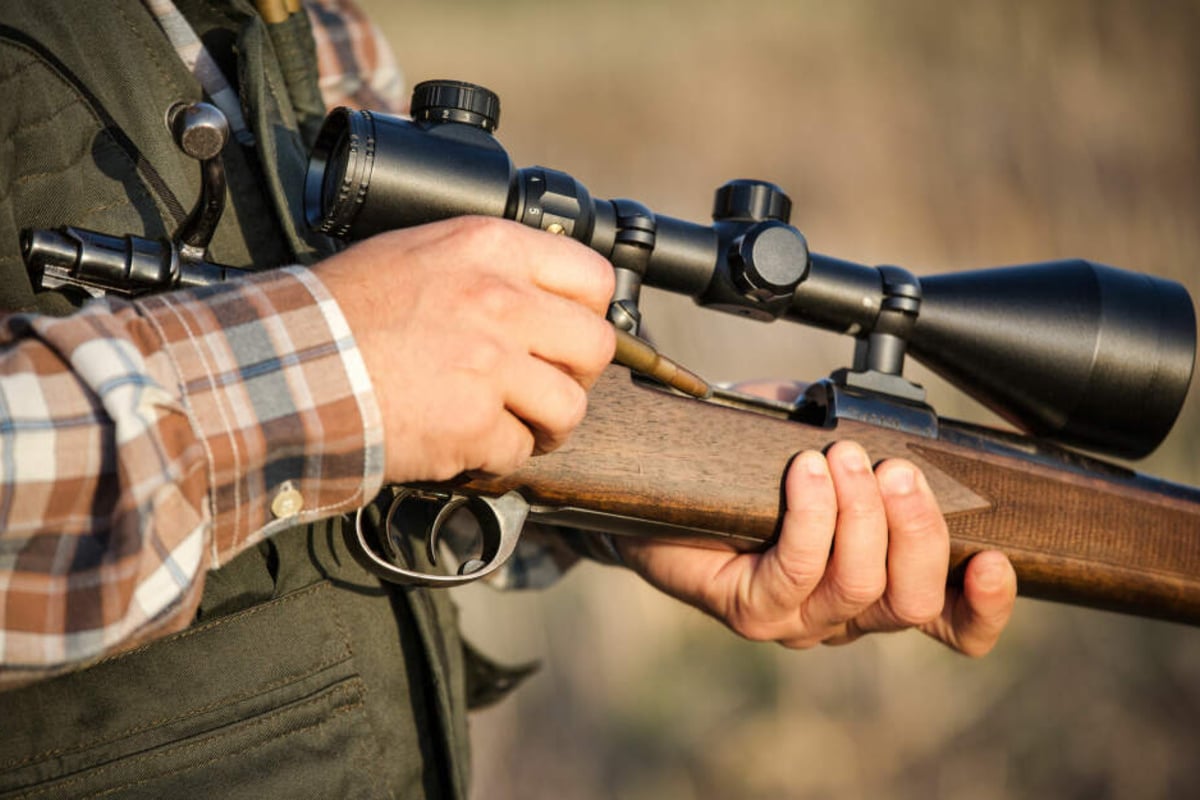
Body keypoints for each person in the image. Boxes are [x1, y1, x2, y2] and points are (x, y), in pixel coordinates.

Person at [0, 1, 1017, 797]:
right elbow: (352, 367)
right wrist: (343, 364)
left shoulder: (289, 13)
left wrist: (637, 488)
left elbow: (372, 441)